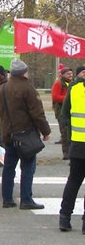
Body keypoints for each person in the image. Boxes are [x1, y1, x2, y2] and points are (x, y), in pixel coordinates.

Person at [0, 59, 50, 210]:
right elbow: (37, 114)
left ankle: (7, 199)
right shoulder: (28, 89)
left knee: (9, 167)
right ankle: (26, 199)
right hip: (25, 134)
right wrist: (46, 131)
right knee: (28, 166)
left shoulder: (1, 89)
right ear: (24, 72)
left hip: (8, 134)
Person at [58, 66, 85, 232]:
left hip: (77, 143)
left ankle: (64, 217)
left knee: (73, 181)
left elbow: (64, 113)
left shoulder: (74, 89)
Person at [51, 67, 73, 160]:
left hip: (70, 111)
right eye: (68, 74)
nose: (70, 75)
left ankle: (71, 151)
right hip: (61, 111)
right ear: (63, 75)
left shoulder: (72, 83)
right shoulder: (58, 84)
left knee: (70, 132)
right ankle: (66, 152)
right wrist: (68, 98)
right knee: (64, 132)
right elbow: (55, 97)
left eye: (71, 74)